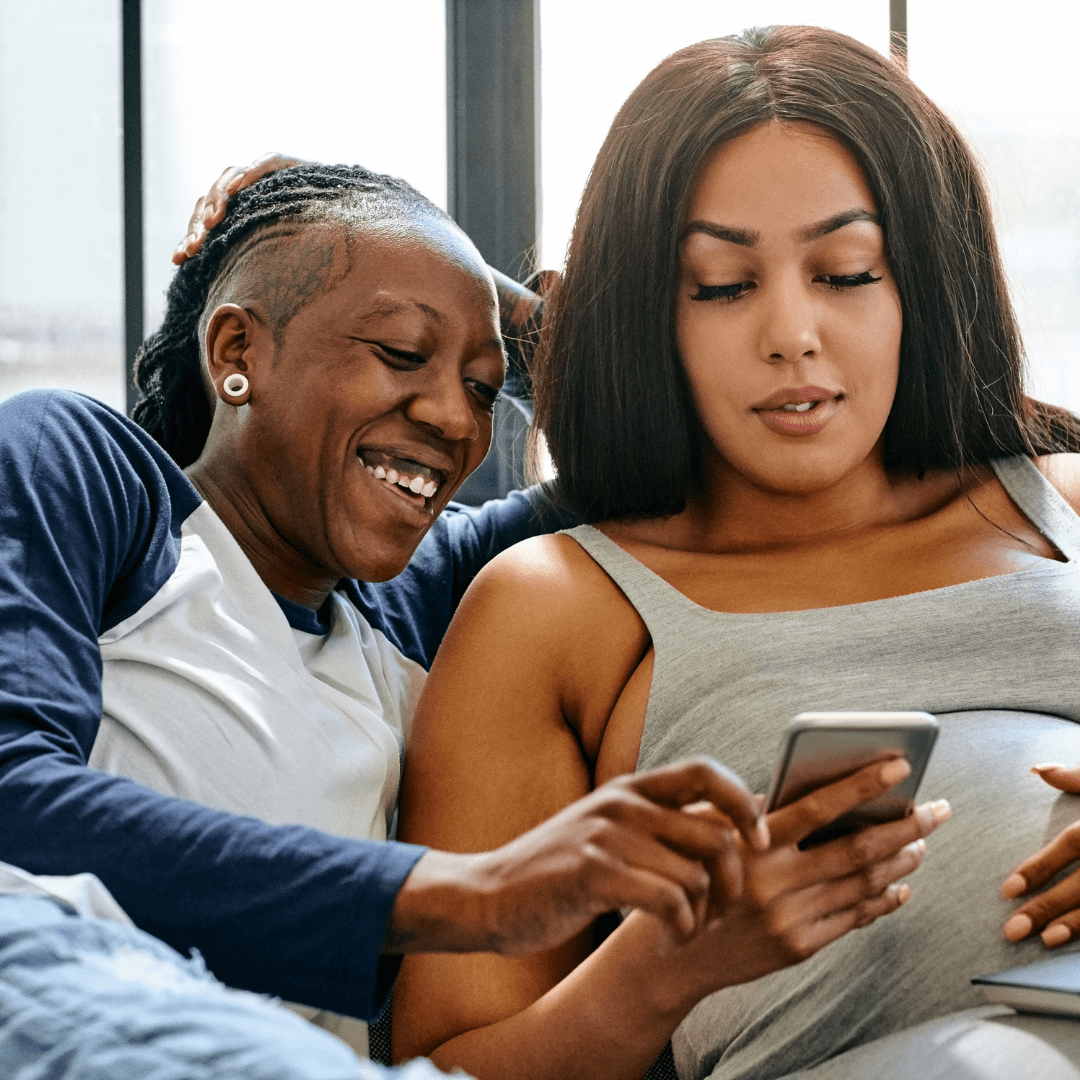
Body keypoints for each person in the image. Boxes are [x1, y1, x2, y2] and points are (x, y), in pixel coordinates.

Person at [0, 158, 930, 1079]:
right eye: (402, 353)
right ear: (237, 353)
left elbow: (701, 433)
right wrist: (478, 895)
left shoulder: (423, 594)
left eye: (484, 388)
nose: (456, 419)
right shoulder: (93, 475)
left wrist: (462, 286)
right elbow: (14, 800)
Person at [390, 24, 1080, 1080]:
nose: (791, 333)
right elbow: (447, 1064)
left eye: (847, 272)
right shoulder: (556, 610)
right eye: (720, 285)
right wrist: (668, 965)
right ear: (648, 314)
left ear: (921, 288)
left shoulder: (1067, 500)